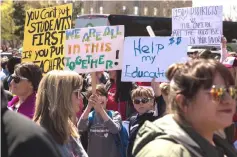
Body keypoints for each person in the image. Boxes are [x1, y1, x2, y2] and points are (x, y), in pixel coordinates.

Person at [132, 59, 237, 157]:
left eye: (231, 91)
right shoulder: (165, 152)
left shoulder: (219, 142)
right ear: (183, 102)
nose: (228, 100)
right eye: (217, 92)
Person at [33, 70, 88, 157]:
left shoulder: (69, 127)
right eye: (77, 93)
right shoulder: (39, 137)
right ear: (62, 96)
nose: (81, 97)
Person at [1, 84, 62, 157]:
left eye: (17, 79)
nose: (11, 82)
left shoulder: (30, 137)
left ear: (30, 84)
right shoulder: (12, 103)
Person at [78, 84, 122, 157]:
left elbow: (115, 129)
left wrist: (101, 110)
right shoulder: (90, 116)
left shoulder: (115, 114)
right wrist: (89, 107)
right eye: (96, 96)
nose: (99, 98)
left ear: (107, 98)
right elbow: (80, 128)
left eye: (101, 95)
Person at [127, 86, 158, 157]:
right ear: (133, 103)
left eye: (144, 100)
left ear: (152, 102)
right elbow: (130, 144)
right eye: (137, 101)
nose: (140, 103)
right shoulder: (132, 120)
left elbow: (161, 102)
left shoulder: (156, 117)